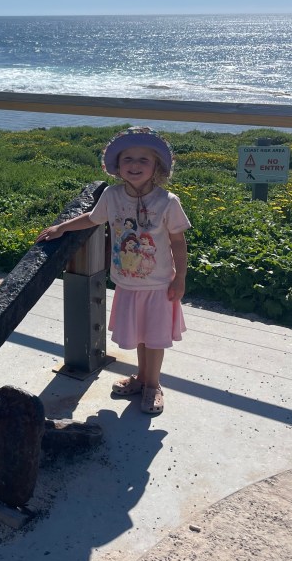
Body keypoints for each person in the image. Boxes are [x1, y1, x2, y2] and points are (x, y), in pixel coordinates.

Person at [36, 126, 190, 414]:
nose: (135, 165)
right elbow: (92, 218)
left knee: (154, 339)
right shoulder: (112, 195)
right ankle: (142, 378)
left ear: (157, 166)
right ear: (117, 166)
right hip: (127, 283)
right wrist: (62, 227)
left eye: (143, 159)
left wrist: (179, 278)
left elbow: (178, 242)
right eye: (127, 158)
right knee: (141, 335)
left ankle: (153, 385)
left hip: (158, 285)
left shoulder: (167, 202)